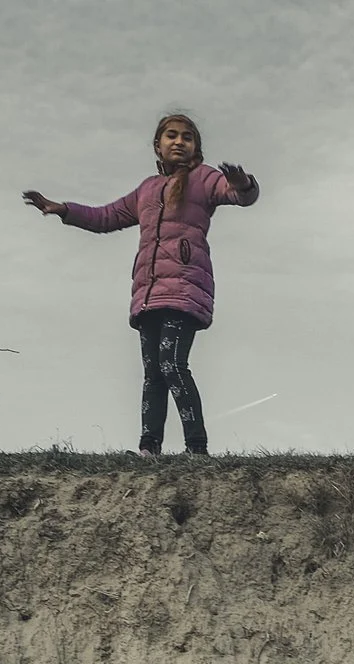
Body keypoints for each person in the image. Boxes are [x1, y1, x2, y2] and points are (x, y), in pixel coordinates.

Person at [23, 114, 260, 456]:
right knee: (152, 373)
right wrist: (63, 209)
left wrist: (242, 183)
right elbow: (105, 217)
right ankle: (149, 449)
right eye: (171, 136)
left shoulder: (205, 179)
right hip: (148, 294)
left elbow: (241, 196)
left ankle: (197, 447)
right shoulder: (147, 189)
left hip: (185, 289)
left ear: (196, 147)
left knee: (172, 365)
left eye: (187, 137)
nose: (179, 142)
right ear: (157, 145)